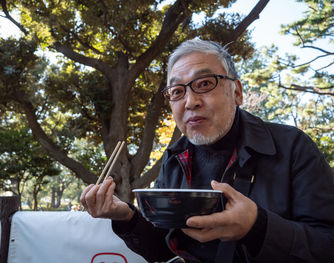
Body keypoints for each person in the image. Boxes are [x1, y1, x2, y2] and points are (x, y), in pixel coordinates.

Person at [80, 38, 334, 263]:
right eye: (177, 91)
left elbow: (327, 245)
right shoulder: (175, 159)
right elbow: (163, 249)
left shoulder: (291, 147)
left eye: (204, 84)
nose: (191, 101)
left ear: (237, 92)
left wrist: (257, 227)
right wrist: (126, 216)